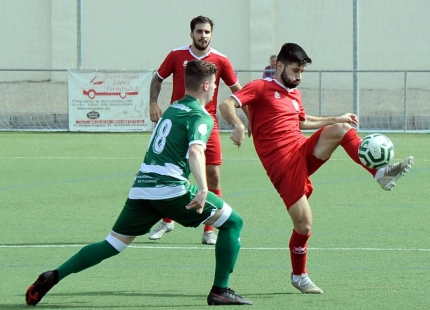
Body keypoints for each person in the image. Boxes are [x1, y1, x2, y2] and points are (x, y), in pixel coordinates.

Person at [25, 60, 253, 307]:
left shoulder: (172, 109)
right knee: (233, 222)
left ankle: (54, 275)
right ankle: (220, 290)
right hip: (170, 188)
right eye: (215, 85)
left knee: (112, 244)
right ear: (206, 84)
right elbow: (197, 151)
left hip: (142, 186)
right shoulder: (200, 116)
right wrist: (203, 188)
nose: (214, 90)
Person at [219, 42, 414, 294]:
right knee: (304, 226)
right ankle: (299, 276)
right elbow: (226, 104)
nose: (299, 77)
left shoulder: (294, 94)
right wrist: (237, 125)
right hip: (282, 164)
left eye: (302, 72)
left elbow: (302, 121)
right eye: (295, 71)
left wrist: (337, 118)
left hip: (302, 149)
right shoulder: (260, 87)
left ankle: (380, 174)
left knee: (343, 129)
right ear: (279, 65)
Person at [148, 15, 246, 245]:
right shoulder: (176, 55)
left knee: (213, 176)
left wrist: (246, 122)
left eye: (207, 32)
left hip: (206, 123)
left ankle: (210, 228)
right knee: (170, 173)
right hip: (178, 123)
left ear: (212, 35)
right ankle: (167, 221)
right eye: (199, 31)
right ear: (191, 33)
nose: (203, 35)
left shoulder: (221, 60)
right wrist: (153, 102)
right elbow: (157, 78)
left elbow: (239, 92)